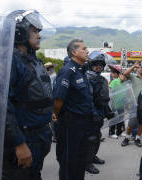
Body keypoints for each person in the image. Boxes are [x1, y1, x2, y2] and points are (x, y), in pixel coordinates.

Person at [3, 10, 53, 180]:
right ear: (19, 31)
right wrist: (18, 143)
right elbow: (3, 105)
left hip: (39, 136)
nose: (39, 36)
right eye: (34, 31)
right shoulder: (11, 60)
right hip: (24, 137)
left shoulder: (32, 60)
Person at [53, 39, 92, 180]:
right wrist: (56, 116)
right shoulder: (68, 71)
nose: (87, 51)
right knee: (70, 162)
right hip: (70, 125)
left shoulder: (81, 71)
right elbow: (58, 99)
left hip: (83, 123)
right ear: (74, 52)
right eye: (84, 48)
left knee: (81, 161)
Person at [84, 51, 114, 174]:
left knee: (97, 137)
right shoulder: (87, 78)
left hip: (100, 112)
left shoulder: (101, 79)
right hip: (90, 115)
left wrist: (108, 111)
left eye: (100, 64)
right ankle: (87, 162)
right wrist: (93, 113)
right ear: (90, 64)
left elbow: (103, 98)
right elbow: (87, 99)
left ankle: (93, 156)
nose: (98, 67)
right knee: (90, 138)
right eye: (96, 64)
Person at [121, 61, 142, 147]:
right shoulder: (133, 76)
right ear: (138, 68)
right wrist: (134, 66)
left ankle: (137, 138)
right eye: (141, 67)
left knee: (141, 124)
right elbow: (125, 74)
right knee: (131, 124)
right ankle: (127, 137)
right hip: (133, 104)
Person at [108, 64, 125, 139]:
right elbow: (110, 93)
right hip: (115, 104)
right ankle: (112, 132)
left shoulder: (119, 81)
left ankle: (119, 132)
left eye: (113, 72)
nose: (111, 74)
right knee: (114, 118)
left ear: (117, 74)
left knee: (120, 118)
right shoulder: (115, 81)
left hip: (120, 103)